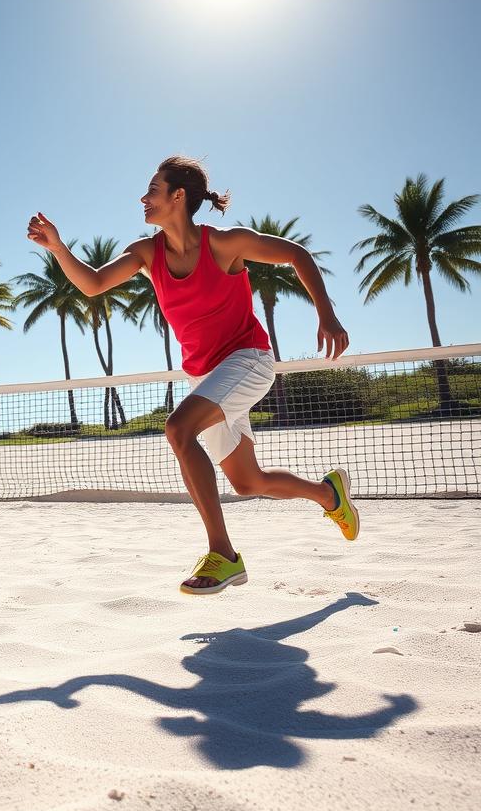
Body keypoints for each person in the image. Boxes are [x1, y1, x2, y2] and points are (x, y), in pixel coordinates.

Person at [27, 155, 357, 595]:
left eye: (153, 189)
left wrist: (328, 315)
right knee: (247, 482)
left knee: (178, 429)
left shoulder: (225, 244)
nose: (143, 198)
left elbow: (296, 254)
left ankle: (223, 554)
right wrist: (57, 247)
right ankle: (329, 495)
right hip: (206, 379)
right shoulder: (147, 253)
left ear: (178, 196)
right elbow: (92, 284)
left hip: (248, 359)